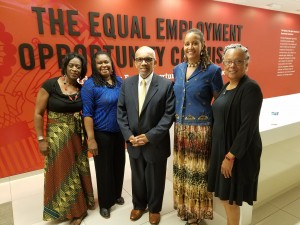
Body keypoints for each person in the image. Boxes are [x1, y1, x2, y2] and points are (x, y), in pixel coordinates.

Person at [34, 52, 95, 225]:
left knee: (78, 169)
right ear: (66, 67)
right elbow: (38, 114)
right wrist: (41, 139)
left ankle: (79, 210)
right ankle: (66, 209)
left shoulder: (81, 90)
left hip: (77, 136)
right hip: (56, 137)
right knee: (61, 171)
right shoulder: (51, 85)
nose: (75, 69)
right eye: (72, 65)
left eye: (78, 67)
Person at [117, 46, 175, 225]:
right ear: (135, 62)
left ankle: (155, 208)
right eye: (140, 59)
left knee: (156, 178)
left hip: (155, 143)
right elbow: (121, 112)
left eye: (148, 59)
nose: (144, 63)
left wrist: (149, 136)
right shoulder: (127, 83)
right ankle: (139, 205)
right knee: (137, 176)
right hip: (133, 142)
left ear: (155, 63)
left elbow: (168, 115)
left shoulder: (166, 85)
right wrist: (128, 135)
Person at [208, 43, 263, 225]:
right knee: (224, 196)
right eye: (229, 61)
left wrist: (230, 157)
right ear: (223, 63)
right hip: (221, 150)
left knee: (229, 198)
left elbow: (248, 127)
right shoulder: (226, 87)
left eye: (238, 61)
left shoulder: (250, 88)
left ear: (246, 64)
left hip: (234, 154)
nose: (232, 65)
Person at [173, 28, 223, 225]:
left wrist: (219, 130)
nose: (190, 47)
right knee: (183, 170)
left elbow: (220, 103)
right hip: (180, 128)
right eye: (187, 43)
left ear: (202, 46)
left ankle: (196, 215)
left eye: (195, 43)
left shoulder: (213, 71)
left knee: (197, 173)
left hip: (201, 131)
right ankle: (185, 208)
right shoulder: (178, 69)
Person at [81, 51, 125, 219]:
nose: (104, 65)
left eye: (106, 62)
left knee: (118, 164)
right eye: (99, 63)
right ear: (95, 66)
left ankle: (116, 194)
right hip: (101, 134)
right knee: (104, 169)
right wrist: (91, 139)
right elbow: (87, 114)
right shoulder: (90, 85)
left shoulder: (119, 82)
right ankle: (105, 203)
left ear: (111, 63)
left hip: (118, 132)